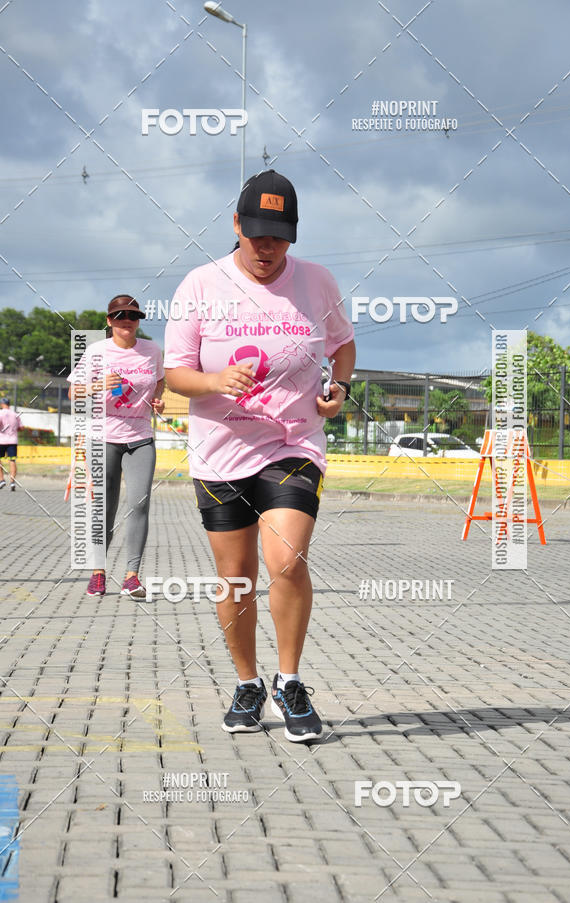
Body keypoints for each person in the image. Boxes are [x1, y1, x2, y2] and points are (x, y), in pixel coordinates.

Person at [164, 170, 356, 742]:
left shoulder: (317, 282)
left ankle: (289, 681)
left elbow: (342, 344)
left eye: (279, 236)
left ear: (293, 235)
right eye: (256, 234)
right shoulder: (200, 285)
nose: (267, 247)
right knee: (237, 576)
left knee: (287, 560)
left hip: (292, 443)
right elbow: (174, 372)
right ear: (236, 227)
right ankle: (247, 683)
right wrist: (215, 380)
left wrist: (339, 389)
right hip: (220, 453)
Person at [67, 295, 165, 598]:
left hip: (140, 437)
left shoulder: (152, 350)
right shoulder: (96, 350)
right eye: (120, 316)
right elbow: (73, 394)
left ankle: (132, 576)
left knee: (140, 503)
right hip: (103, 436)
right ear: (109, 321)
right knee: (103, 508)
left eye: (133, 316)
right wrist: (98, 386)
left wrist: (157, 400)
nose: (127, 321)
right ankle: (98, 573)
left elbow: (160, 380)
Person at [0, 398, 22, 491]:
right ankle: (12, 482)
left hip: (1, 440)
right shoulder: (15, 414)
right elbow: (21, 428)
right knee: (12, 460)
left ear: (2, 404)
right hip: (13, 440)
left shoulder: (0, 413)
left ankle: (1, 480)